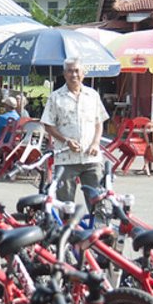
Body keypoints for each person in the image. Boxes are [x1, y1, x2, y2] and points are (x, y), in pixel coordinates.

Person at [40, 58, 110, 203]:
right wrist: (66, 140)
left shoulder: (93, 95)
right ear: (64, 74)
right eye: (70, 71)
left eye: (77, 71)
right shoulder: (55, 97)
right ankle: (67, 225)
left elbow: (99, 122)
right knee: (65, 205)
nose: (74, 75)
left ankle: (98, 226)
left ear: (83, 73)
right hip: (66, 158)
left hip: (91, 158)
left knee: (98, 203)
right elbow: (48, 125)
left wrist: (96, 143)